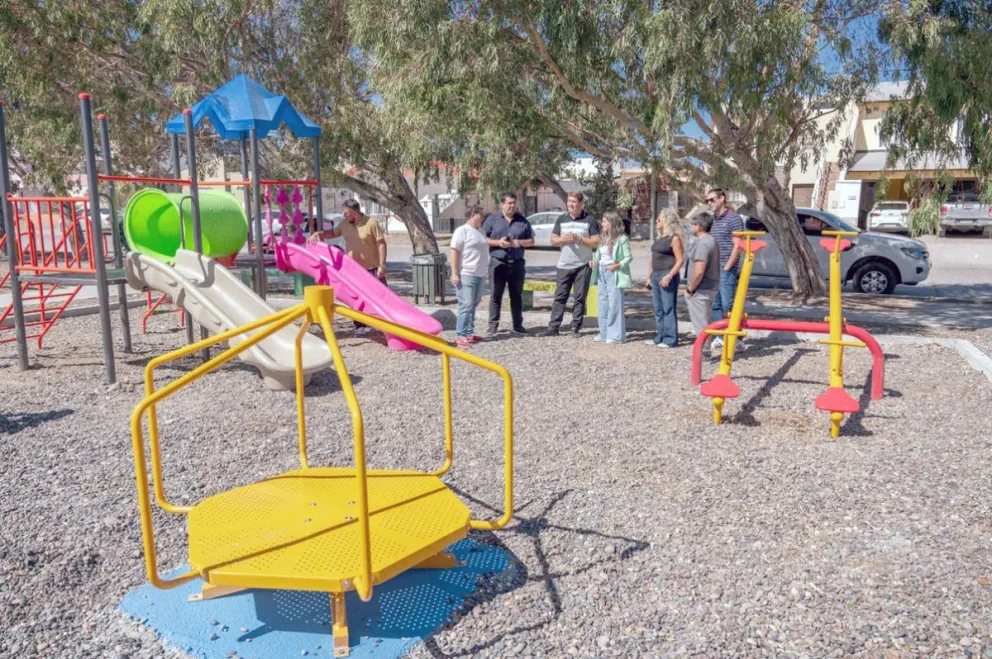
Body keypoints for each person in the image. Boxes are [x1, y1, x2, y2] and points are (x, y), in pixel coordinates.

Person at [308, 199, 387, 336]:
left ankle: (388, 326)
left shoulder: (371, 223)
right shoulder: (344, 224)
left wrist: (382, 265)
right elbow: (332, 234)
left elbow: (381, 244)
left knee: (383, 298)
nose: (344, 215)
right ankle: (360, 326)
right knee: (356, 299)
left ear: (354, 212)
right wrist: (318, 234)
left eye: (346, 213)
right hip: (354, 271)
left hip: (373, 268)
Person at [542, 191, 600, 338]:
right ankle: (553, 327)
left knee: (580, 298)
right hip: (564, 265)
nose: (570, 204)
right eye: (569, 201)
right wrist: (563, 239)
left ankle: (575, 327)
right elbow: (553, 240)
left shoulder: (590, 219)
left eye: (573, 202)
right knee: (560, 297)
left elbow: (596, 242)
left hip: (583, 265)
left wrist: (579, 239)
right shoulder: (561, 219)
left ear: (581, 204)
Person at [482, 192, 535, 335]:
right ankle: (493, 325)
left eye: (514, 203)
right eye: (509, 203)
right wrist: (498, 243)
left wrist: (521, 242)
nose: (512, 206)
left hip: (517, 264)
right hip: (498, 263)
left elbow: (532, 240)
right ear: (502, 204)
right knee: (495, 295)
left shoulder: (522, 220)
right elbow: (482, 238)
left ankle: (518, 325)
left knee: (516, 295)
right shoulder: (492, 219)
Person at [705, 188, 746, 352]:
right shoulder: (712, 220)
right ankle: (720, 337)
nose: (709, 203)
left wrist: (728, 267)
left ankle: (737, 338)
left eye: (712, 199)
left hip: (726, 268)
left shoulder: (734, 219)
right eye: (707, 201)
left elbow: (738, 245)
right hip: (712, 269)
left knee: (728, 304)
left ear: (722, 198)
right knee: (715, 304)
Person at [449, 205, 489, 347]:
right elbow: (454, 251)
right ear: (473, 215)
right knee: (466, 304)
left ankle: (469, 332)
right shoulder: (462, 231)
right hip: (466, 273)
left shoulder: (481, 231)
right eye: (481, 215)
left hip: (480, 274)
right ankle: (460, 335)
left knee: (474, 303)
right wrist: (455, 273)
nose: (483, 218)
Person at [590, 211, 632, 344]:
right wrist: (594, 261)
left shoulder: (622, 239)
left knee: (615, 303)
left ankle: (616, 336)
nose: (602, 224)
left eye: (604, 221)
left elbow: (628, 258)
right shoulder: (603, 238)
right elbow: (599, 255)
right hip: (601, 271)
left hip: (614, 272)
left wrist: (617, 265)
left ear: (612, 223)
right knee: (602, 302)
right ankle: (604, 333)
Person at [646, 209, 685, 348]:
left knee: (668, 308)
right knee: (658, 309)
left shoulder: (674, 238)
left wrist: (669, 276)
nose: (656, 222)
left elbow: (680, 260)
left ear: (667, 221)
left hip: (667, 274)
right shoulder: (659, 239)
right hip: (656, 275)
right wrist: (649, 276)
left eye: (659, 220)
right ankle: (660, 336)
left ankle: (670, 339)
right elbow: (653, 259)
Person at [683, 212, 721, 344]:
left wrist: (690, 289)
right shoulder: (712, 241)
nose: (691, 228)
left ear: (698, 226)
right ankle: (706, 349)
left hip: (701, 290)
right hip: (709, 287)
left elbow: (699, 271)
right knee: (705, 321)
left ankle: (703, 351)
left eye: (692, 225)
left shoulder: (703, 244)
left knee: (701, 325)